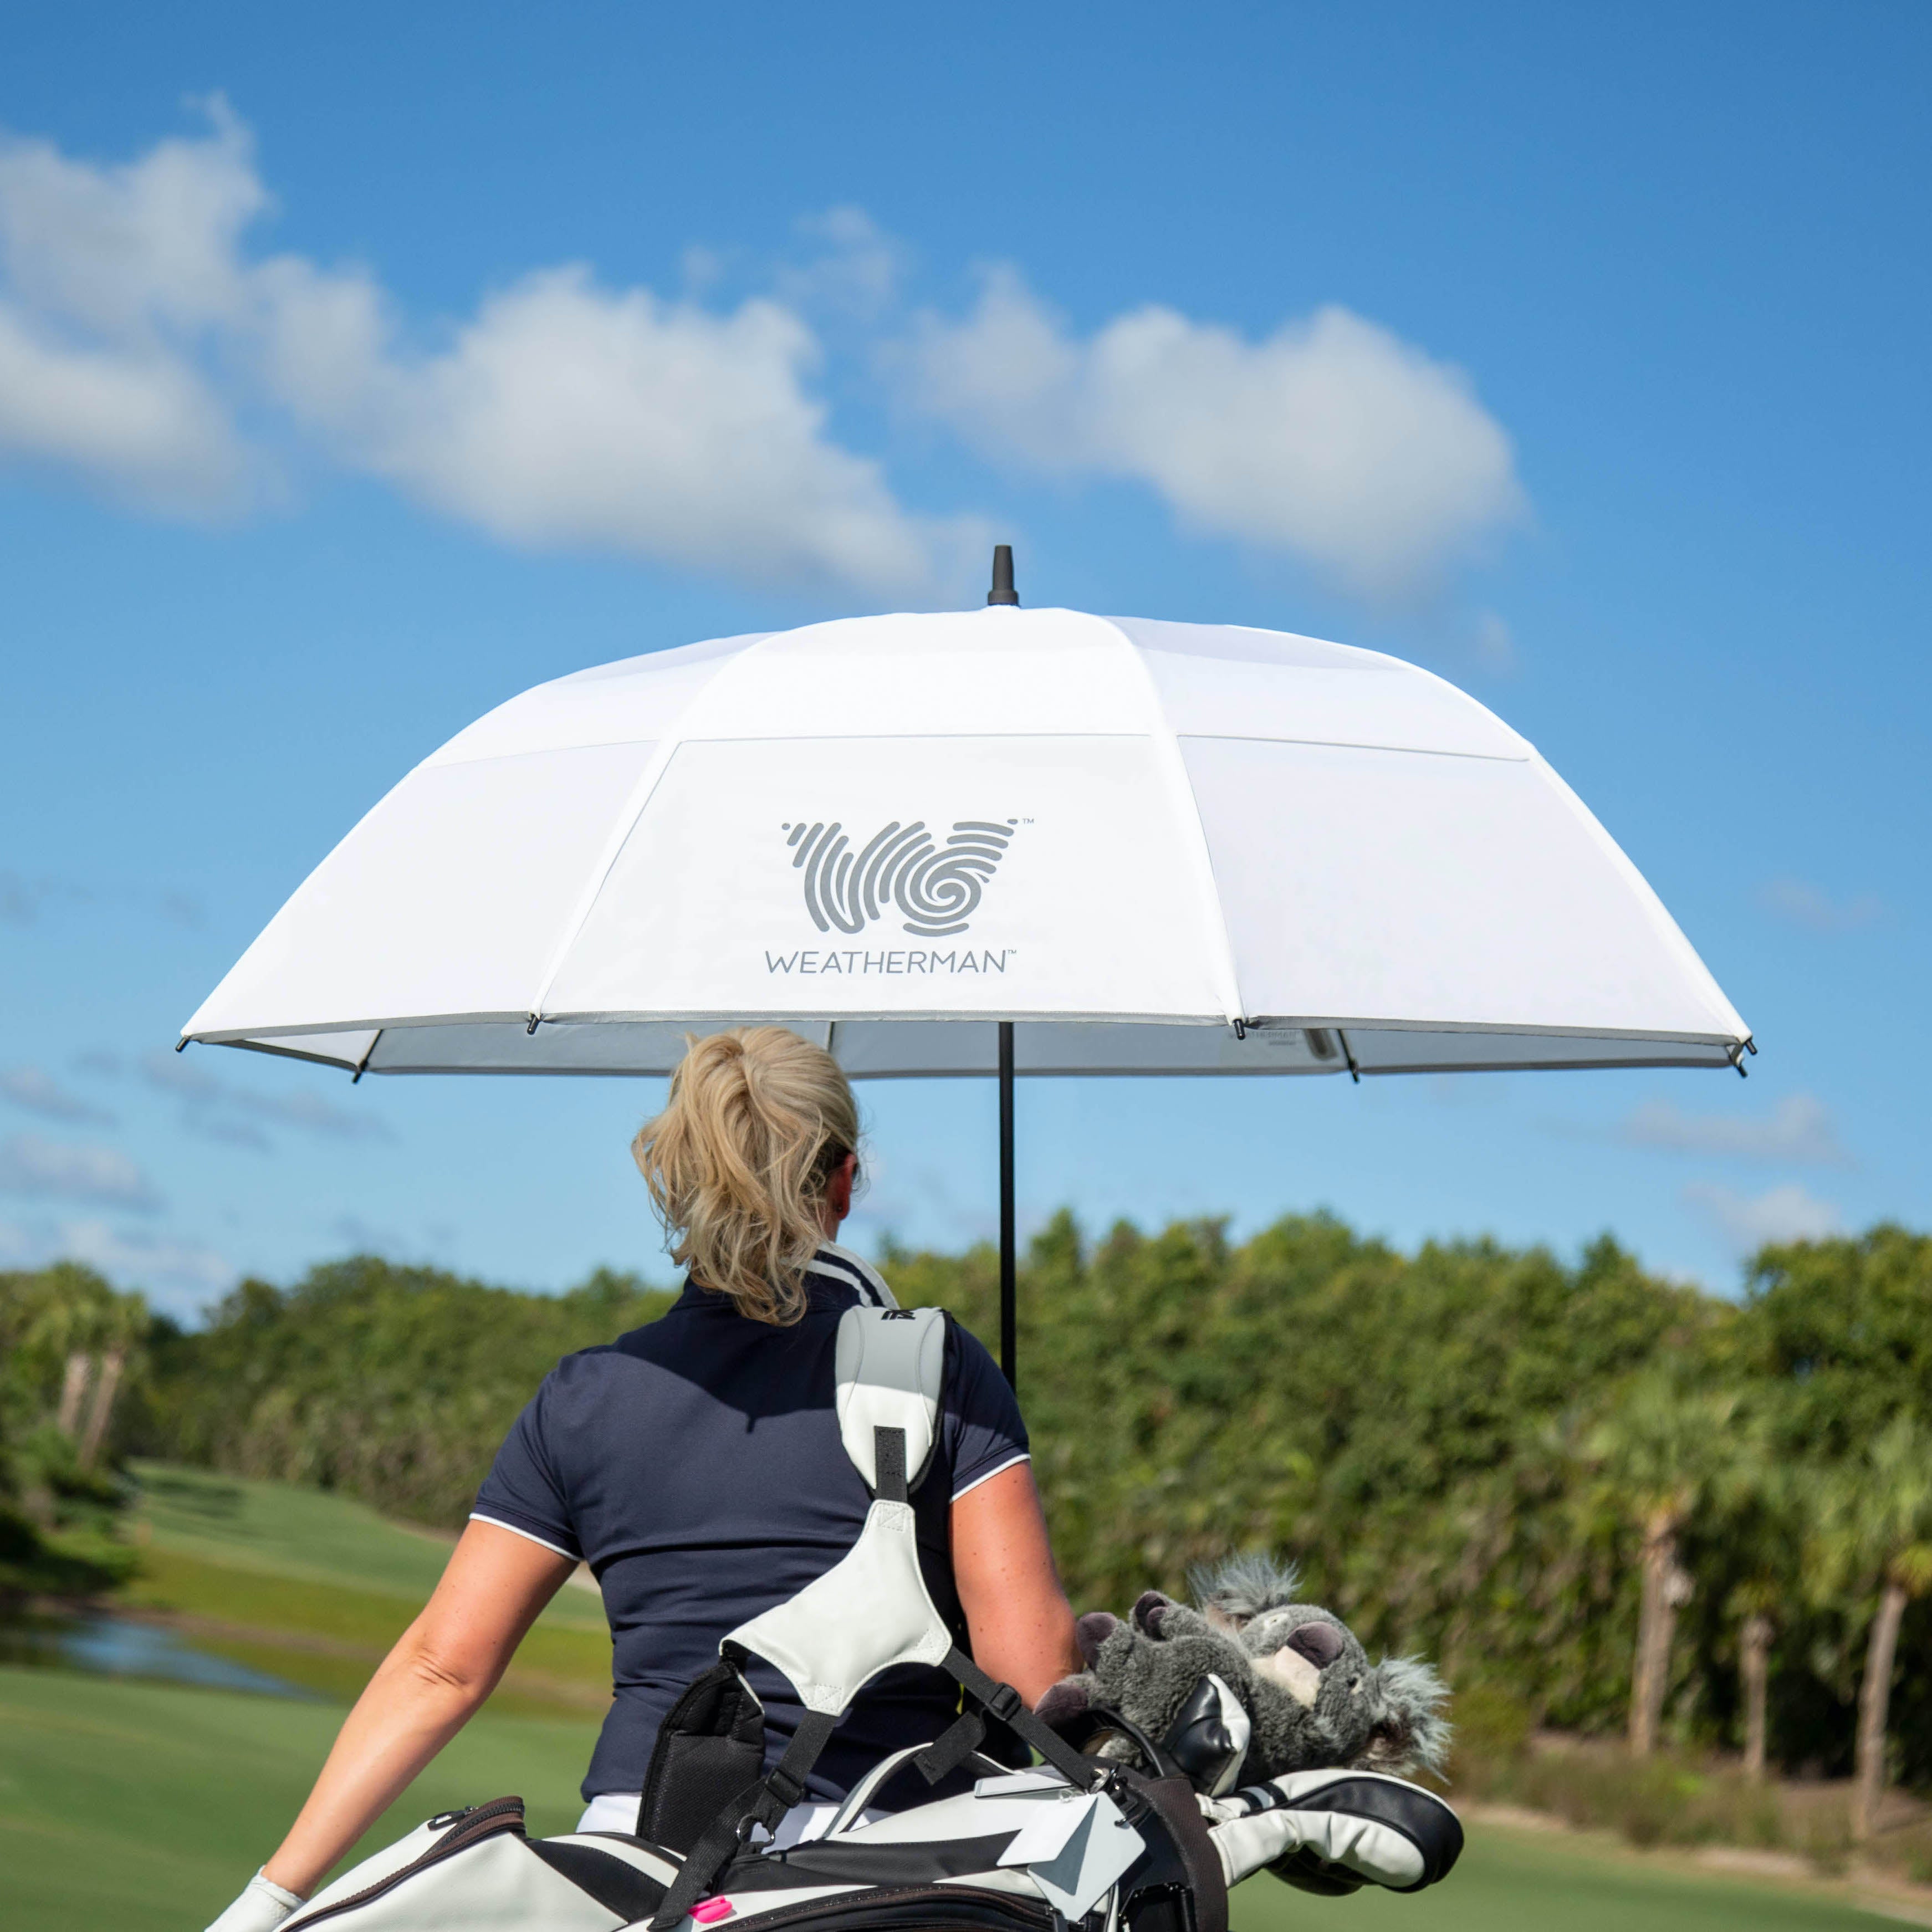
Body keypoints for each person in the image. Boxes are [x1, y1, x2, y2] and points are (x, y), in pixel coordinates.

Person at [206, 1026, 1081, 1931]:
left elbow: (440, 1668)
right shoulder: (936, 1367)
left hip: (626, 1867)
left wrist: (266, 1901)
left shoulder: (584, 1395)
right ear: (844, 1182)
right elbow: (1035, 1680)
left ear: (677, 1179)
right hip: (873, 1868)